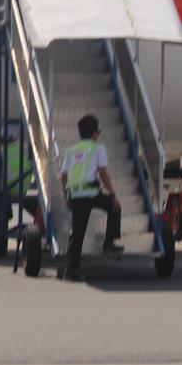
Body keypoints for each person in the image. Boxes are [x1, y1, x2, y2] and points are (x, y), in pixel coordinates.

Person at [59, 115, 125, 281]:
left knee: (77, 234)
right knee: (114, 207)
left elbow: (63, 176)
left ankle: (71, 270)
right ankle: (109, 243)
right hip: (91, 193)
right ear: (95, 133)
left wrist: (67, 196)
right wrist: (112, 195)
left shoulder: (72, 150)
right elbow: (103, 174)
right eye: (98, 132)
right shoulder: (98, 148)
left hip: (75, 195)